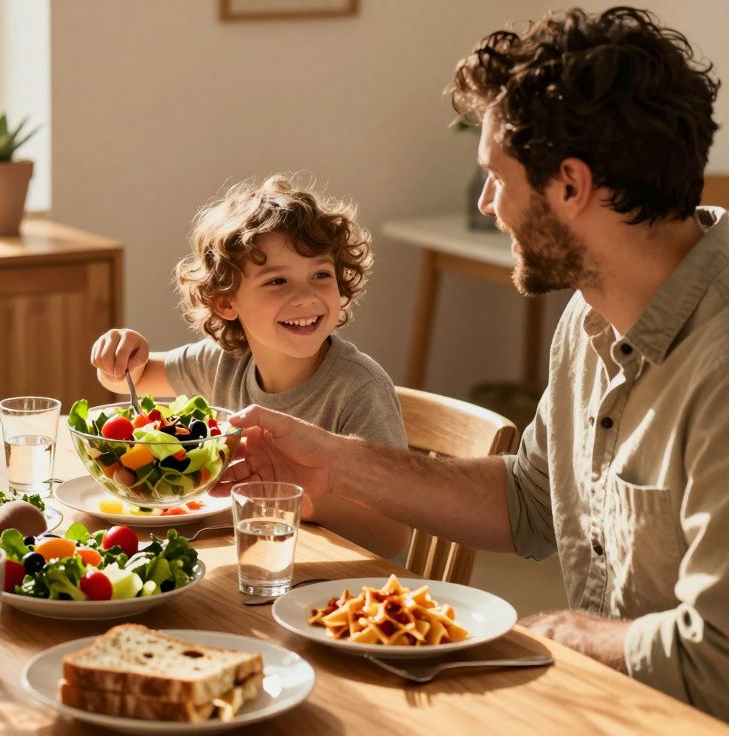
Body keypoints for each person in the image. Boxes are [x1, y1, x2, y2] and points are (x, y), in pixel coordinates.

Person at [224, 7, 728, 719]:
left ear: (572, 186)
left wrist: (547, 636)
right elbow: (528, 503)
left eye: (497, 176)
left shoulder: (720, 367)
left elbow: (715, 662)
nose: (488, 203)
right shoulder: (591, 314)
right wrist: (336, 464)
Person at [90, 173, 410, 558]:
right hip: (244, 558)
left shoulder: (359, 390)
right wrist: (120, 356)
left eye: (321, 275)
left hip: (332, 584)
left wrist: (297, 500)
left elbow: (392, 535)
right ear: (226, 303)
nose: (306, 296)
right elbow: (131, 380)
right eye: (278, 281)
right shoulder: (224, 362)